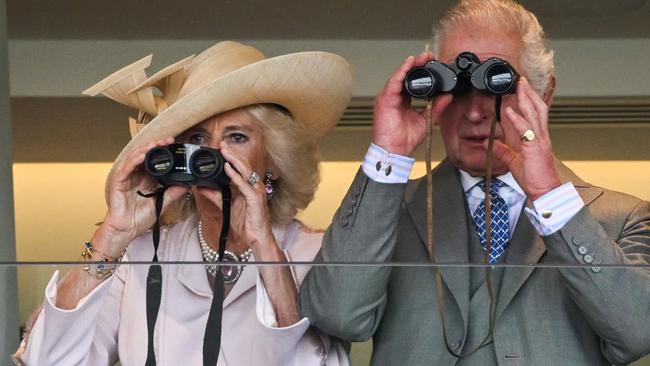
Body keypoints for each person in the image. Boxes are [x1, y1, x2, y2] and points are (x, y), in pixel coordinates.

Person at [299, 1, 650, 365]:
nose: (474, 112)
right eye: (459, 88)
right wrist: (390, 153)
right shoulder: (389, 209)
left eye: (497, 86)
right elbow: (336, 315)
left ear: (544, 94)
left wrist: (551, 198)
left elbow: (637, 331)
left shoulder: (622, 217)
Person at [13, 41, 353, 365]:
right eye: (198, 139)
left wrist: (263, 244)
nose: (215, 154)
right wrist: (114, 235)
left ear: (275, 163)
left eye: (237, 137)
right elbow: (48, 360)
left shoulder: (316, 254)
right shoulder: (143, 255)